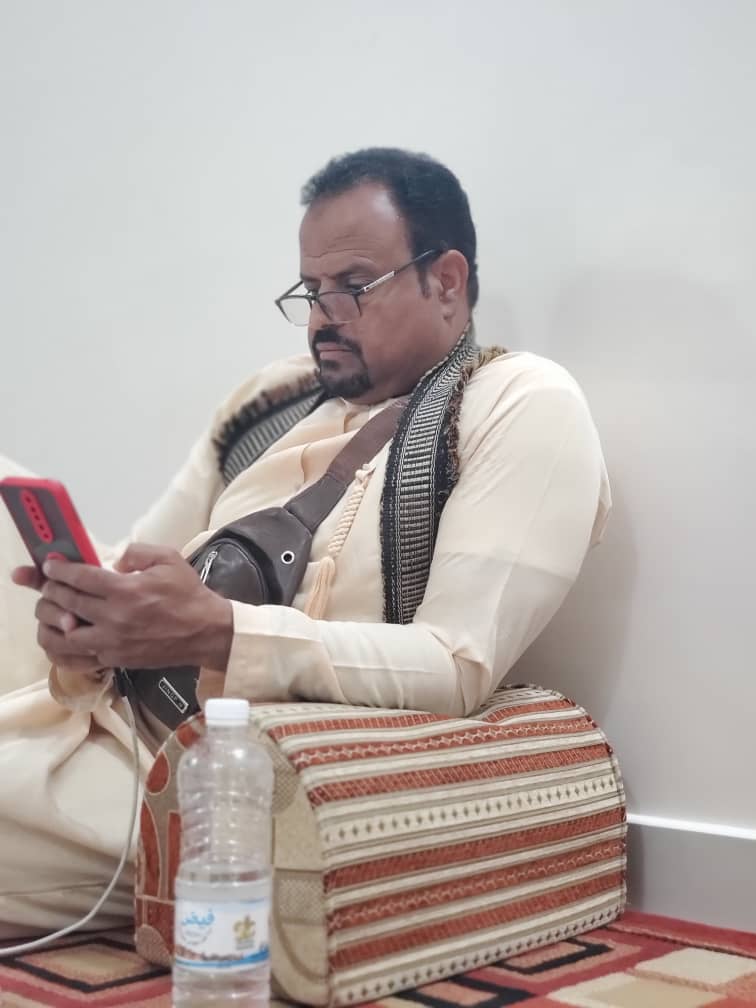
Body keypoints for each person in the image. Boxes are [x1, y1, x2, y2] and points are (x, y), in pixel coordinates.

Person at [0, 147, 610, 938]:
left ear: (446, 280)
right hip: (95, 706)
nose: (324, 316)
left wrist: (222, 632)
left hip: (211, 772)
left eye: (353, 286)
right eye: (310, 290)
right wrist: (89, 620)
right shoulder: (272, 400)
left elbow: (455, 664)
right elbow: (138, 562)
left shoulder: (520, 402)